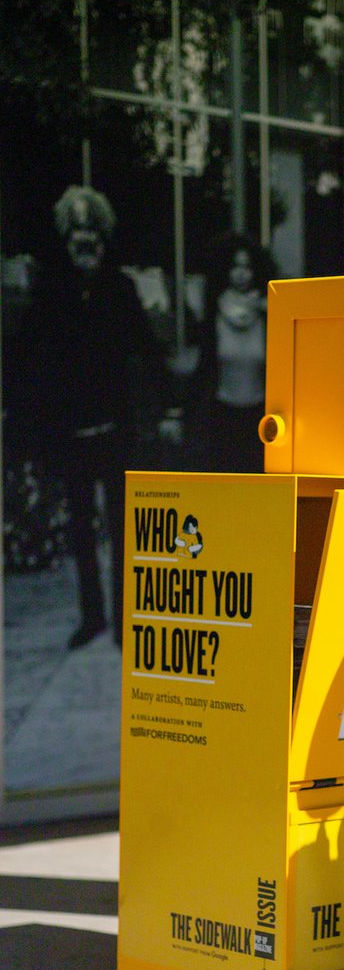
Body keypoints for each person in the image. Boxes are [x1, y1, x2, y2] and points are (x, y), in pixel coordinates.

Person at [27, 186, 160, 649]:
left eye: (92, 232)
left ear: (103, 238)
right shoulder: (49, 290)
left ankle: (125, 620)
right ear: (66, 239)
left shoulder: (120, 289)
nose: (85, 242)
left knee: (124, 528)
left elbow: (147, 349)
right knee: (81, 528)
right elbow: (30, 361)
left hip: (116, 430)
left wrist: (156, 407)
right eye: (76, 233)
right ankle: (93, 616)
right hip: (72, 431)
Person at [189, 234, 275, 473]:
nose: (241, 274)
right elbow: (204, 367)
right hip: (222, 417)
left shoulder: (270, 314)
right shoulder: (214, 313)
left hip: (261, 417)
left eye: (247, 267)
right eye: (235, 266)